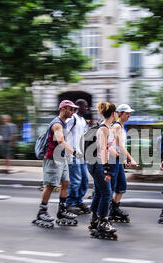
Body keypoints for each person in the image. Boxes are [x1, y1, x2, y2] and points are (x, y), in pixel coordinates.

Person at [32, 100, 80, 228]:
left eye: (74, 110)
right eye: (71, 109)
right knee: (50, 185)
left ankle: (62, 210)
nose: (73, 112)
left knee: (66, 182)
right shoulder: (57, 124)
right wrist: (75, 153)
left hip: (61, 158)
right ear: (63, 109)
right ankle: (42, 211)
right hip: (52, 159)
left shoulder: (63, 123)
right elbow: (61, 142)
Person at [88, 102, 118, 240]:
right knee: (107, 193)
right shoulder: (103, 129)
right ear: (113, 114)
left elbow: (108, 147)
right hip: (98, 164)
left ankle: (95, 219)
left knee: (100, 192)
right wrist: (106, 168)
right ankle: (103, 222)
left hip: (97, 163)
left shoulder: (108, 128)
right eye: (116, 112)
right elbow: (102, 149)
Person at [108, 104, 138, 223]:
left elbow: (121, 146)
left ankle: (114, 209)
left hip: (118, 159)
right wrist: (131, 158)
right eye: (127, 113)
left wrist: (124, 159)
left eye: (129, 113)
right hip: (112, 159)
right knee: (111, 187)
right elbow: (119, 146)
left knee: (121, 185)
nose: (129, 115)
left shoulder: (121, 126)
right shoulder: (117, 127)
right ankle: (106, 211)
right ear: (120, 114)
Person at [66, 99, 91, 215]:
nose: (87, 108)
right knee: (75, 181)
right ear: (79, 107)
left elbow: (84, 137)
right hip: (72, 154)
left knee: (84, 180)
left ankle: (78, 201)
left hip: (81, 155)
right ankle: (70, 204)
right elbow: (64, 132)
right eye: (85, 106)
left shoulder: (83, 121)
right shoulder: (73, 119)